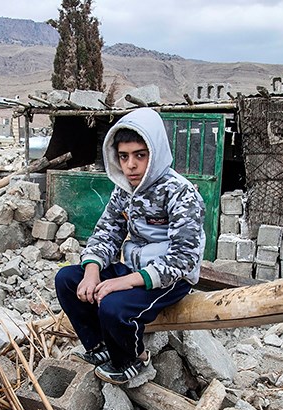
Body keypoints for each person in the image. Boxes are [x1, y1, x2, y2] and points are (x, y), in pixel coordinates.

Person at [54, 107, 206, 385]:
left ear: (155, 152)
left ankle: (133, 360)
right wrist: (92, 271)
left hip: (168, 278)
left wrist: (121, 283)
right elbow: (107, 232)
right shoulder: (124, 189)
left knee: (112, 305)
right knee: (67, 279)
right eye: (123, 157)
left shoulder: (181, 193)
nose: (130, 165)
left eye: (140, 155)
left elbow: (183, 258)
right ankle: (99, 347)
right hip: (133, 268)